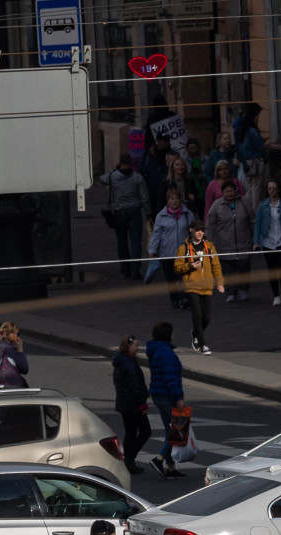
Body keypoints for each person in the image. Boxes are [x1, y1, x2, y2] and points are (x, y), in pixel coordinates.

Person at [175, 220, 224, 354]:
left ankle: (196, 333)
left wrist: (219, 283)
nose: (200, 232)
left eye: (202, 230)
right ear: (191, 230)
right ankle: (203, 345)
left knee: (207, 317)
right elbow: (177, 267)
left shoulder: (209, 246)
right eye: (197, 230)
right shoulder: (183, 248)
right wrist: (189, 266)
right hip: (191, 286)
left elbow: (216, 265)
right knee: (197, 315)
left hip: (207, 286)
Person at [146, 321, 186, 479]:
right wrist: (178, 398)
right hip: (168, 396)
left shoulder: (155, 350)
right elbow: (170, 377)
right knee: (178, 430)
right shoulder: (166, 352)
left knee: (169, 430)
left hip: (158, 394)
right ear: (167, 334)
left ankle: (171, 468)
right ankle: (159, 459)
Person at [97, 156, 146, 279]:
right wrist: (149, 212)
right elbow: (144, 197)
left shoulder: (113, 176)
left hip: (119, 211)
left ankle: (125, 269)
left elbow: (101, 179)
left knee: (122, 242)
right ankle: (135, 270)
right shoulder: (137, 177)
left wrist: (113, 170)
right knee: (135, 241)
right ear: (130, 163)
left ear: (120, 163)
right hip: (135, 210)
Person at [205, 181, 253, 303]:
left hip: (244, 241)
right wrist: (207, 240)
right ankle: (231, 292)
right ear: (223, 192)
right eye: (227, 191)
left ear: (235, 190)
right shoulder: (217, 205)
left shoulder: (245, 202)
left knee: (244, 266)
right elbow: (210, 224)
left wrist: (255, 238)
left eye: (231, 190)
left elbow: (253, 220)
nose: (230, 193)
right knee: (228, 269)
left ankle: (243, 289)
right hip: (224, 242)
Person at [148, 188, 195, 310]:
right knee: (171, 278)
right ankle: (174, 298)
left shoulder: (187, 214)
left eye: (176, 198)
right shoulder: (161, 216)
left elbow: (194, 231)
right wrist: (152, 250)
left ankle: (183, 298)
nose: (174, 201)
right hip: (167, 253)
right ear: (167, 201)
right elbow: (156, 234)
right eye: (171, 199)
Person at [112, 335, 151, 473]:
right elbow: (135, 387)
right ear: (128, 347)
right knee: (145, 431)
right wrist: (142, 405)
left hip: (125, 404)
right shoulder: (128, 363)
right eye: (135, 345)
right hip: (132, 405)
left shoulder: (124, 360)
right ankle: (129, 458)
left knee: (131, 433)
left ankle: (128, 460)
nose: (138, 347)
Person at [254, 179, 281, 305]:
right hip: (268, 241)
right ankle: (276, 294)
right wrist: (256, 241)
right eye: (269, 188)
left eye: (274, 188)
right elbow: (258, 224)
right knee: (271, 269)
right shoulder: (263, 205)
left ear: (279, 190)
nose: (272, 191)